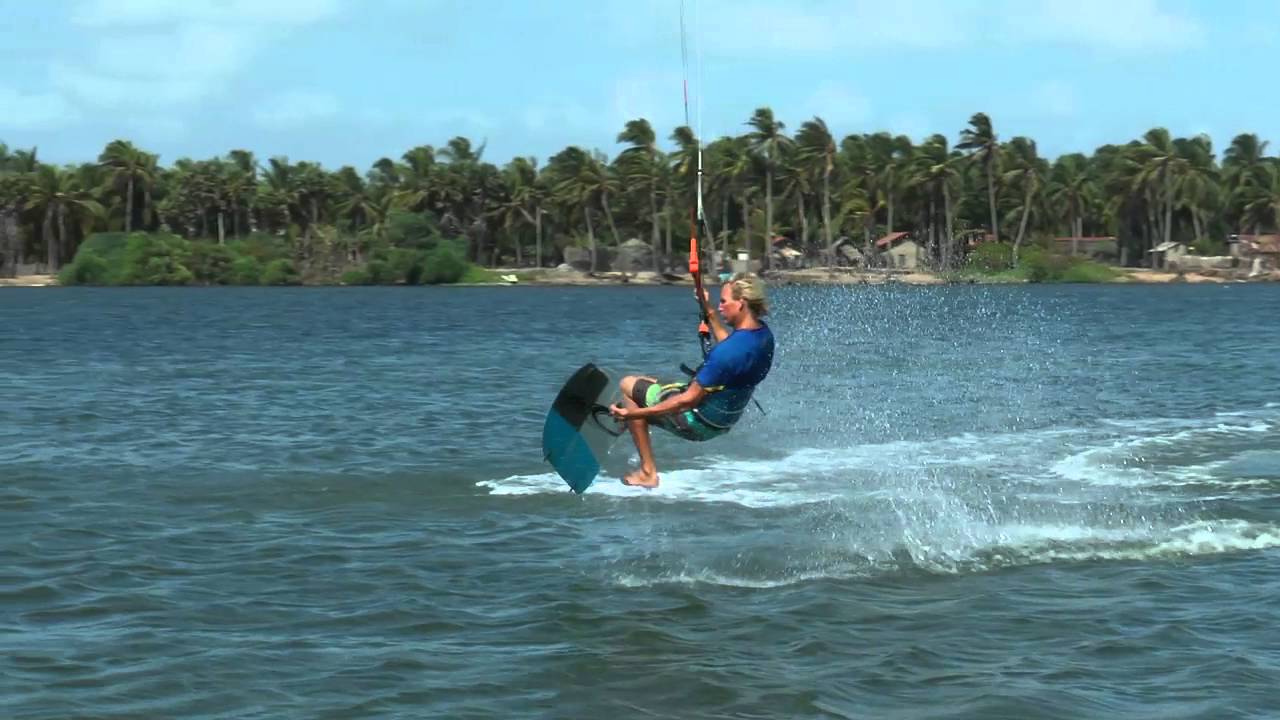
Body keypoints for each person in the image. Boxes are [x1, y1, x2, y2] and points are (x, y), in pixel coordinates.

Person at [608, 272, 774, 488]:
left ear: (741, 303)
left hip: (697, 422)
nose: (720, 307)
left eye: (724, 302)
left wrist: (634, 414)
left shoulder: (725, 355)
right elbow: (731, 347)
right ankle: (632, 422)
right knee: (645, 381)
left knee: (628, 385)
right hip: (724, 419)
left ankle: (648, 472)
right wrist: (708, 309)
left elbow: (686, 401)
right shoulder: (763, 336)